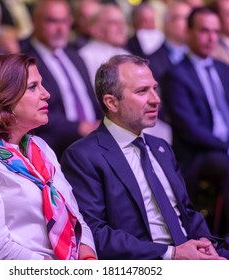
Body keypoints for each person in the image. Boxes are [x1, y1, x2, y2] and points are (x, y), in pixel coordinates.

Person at [61, 54, 229, 260]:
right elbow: (95, 234)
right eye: (142, 91)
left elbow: (187, 212)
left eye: (154, 88)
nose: (156, 99)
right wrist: (172, 254)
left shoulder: (161, 148)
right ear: (112, 102)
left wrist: (206, 245)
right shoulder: (83, 156)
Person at [0, 53, 97, 260]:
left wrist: (88, 258)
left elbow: (75, 219)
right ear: (2, 99)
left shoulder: (39, 147)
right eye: (33, 87)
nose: (46, 94)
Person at [161, 7, 229, 231]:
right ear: (188, 32)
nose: (212, 38)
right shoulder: (176, 74)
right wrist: (225, 146)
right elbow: (189, 129)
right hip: (197, 155)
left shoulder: (222, 69)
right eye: (204, 31)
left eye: (215, 32)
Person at [21, 0, 102, 159]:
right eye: (52, 21)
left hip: (94, 137)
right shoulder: (24, 59)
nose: (60, 28)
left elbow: (92, 99)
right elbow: (29, 110)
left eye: (65, 21)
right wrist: (78, 127)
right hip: (56, 144)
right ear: (34, 21)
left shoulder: (75, 55)